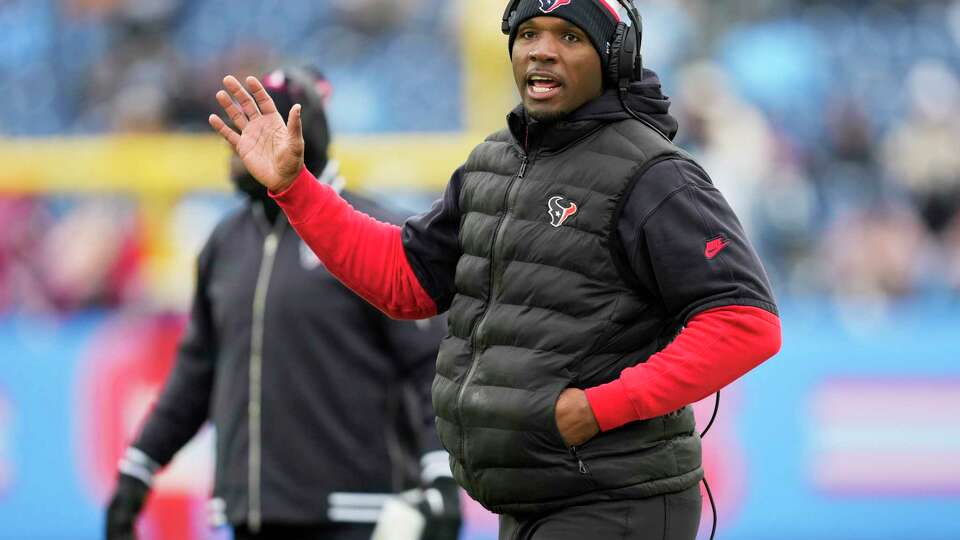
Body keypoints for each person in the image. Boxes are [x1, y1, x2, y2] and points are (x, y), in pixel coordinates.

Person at [208, 1, 783, 538]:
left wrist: (596, 408)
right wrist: (295, 189)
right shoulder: (493, 163)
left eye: (570, 36)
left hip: (614, 497)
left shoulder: (654, 174)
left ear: (613, 59)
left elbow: (745, 322)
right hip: (536, 496)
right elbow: (404, 282)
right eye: (529, 33)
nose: (541, 50)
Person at [105, 66, 461, 540]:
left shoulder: (373, 230)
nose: (235, 144)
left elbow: (427, 367)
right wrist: (139, 468)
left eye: (254, 124)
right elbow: (198, 371)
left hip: (358, 514)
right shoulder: (226, 242)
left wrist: (441, 475)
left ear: (299, 132)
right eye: (233, 129)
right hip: (251, 514)